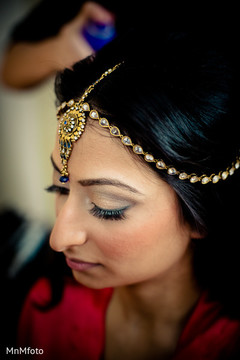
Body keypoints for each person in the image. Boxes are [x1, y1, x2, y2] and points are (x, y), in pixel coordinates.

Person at [17, 29, 240, 359]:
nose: (58, 238)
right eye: (59, 188)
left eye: (106, 207)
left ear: (201, 215)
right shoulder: (49, 311)